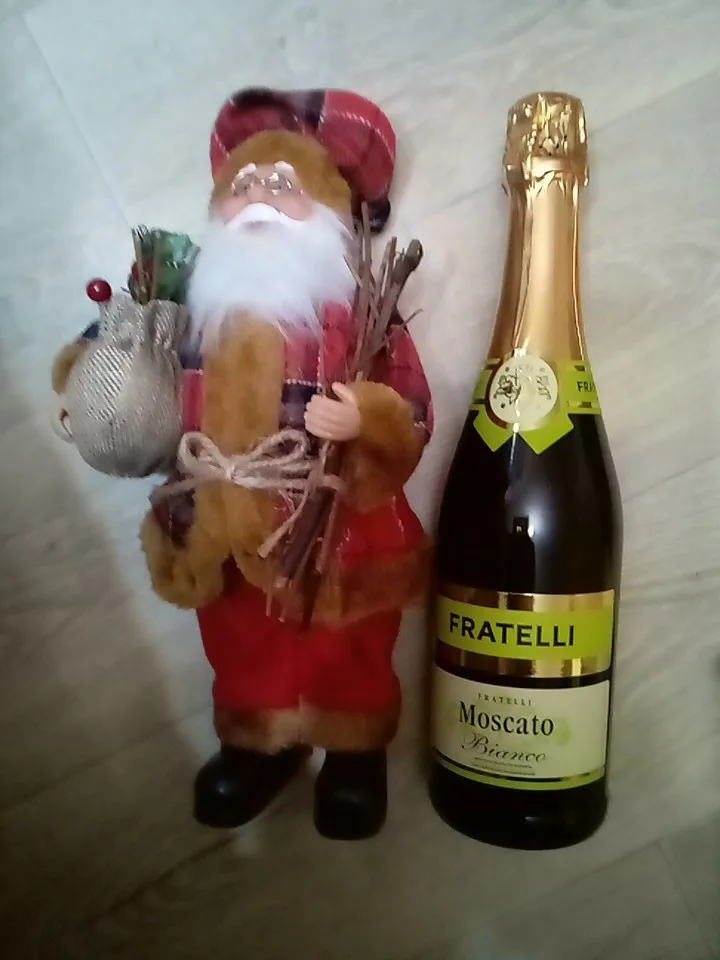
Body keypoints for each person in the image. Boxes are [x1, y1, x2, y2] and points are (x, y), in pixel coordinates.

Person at [54, 88, 433, 840]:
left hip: (332, 525)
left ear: (332, 212)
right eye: (244, 183)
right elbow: (121, 340)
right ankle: (258, 744)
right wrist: (87, 390)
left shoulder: (359, 312)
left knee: (350, 642)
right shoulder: (187, 300)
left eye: (284, 185)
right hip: (217, 519)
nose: (258, 195)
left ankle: (353, 751)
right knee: (239, 640)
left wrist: (365, 417)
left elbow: (413, 407)